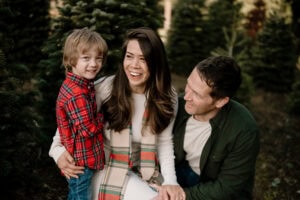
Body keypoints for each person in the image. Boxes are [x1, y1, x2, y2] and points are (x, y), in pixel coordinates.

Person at [49, 27, 185, 200]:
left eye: (143, 59)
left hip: (144, 169)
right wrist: (58, 154)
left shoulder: (167, 96)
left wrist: (171, 181)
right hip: (104, 168)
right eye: (129, 56)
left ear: (156, 62)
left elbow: (164, 142)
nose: (134, 65)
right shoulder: (104, 88)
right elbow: (61, 135)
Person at [172, 56, 260, 199]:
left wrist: (180, 196)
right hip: (180, 172)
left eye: (197, 94)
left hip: (213, 189)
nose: (186, 96)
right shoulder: (177, 106)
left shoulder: (245, 130)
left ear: (220, 101)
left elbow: (227, 188)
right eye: (189, 85)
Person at [55, 27, 108, 200]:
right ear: (71, 59)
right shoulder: (77, 93)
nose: (94, 64)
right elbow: (88, 129)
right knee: (80, 197)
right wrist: (103, 116)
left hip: (81, 158)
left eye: (98, 59)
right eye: (86, 58)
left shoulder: (83, 84)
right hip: (81, 162)